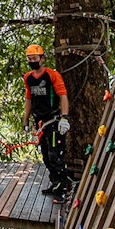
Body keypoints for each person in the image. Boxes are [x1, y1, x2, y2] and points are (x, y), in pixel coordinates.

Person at [22, 44, 72, 199]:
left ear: (42, 59)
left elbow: (63, 95)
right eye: (29, 59)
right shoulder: (28, 78)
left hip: (54, 120)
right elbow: (29, 99)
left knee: (55, 154)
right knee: (45, 154)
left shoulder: (51, 75)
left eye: (34, 58)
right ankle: (55, 184)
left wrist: (64, 117)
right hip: (40, 121)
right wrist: (25, 121)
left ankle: (63, 188)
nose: (32, 61)